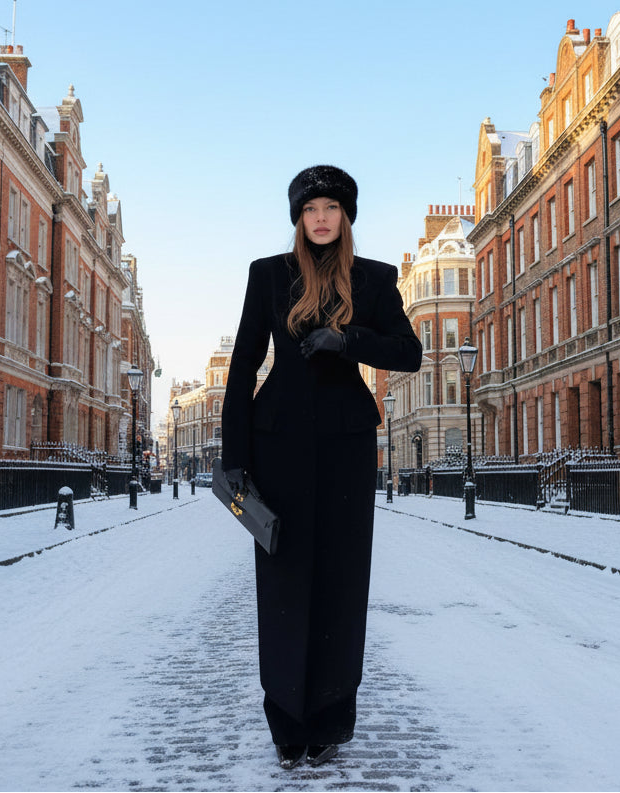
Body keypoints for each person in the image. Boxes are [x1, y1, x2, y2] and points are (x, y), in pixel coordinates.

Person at [221, 165, 422, 769]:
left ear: (346, 215)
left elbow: (409, 353)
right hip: (276, 444)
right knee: (283, 583)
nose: (321, 219)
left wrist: (351, 339)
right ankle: (286, 724)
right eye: (311, 210)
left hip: (345, 446)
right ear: (298, 219)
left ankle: (330, 720)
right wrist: (234, 461)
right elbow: (241, 368)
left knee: (340, 582)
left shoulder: (376, 279)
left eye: (331, 208)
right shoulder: (269, 276)